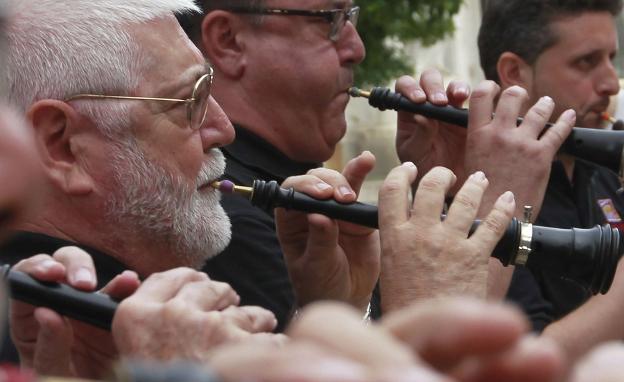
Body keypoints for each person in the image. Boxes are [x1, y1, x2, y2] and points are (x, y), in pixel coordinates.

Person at [179, 0, 575, 326]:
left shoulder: (293, 179)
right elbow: (426, 361)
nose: (357, 47)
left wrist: (452, 188)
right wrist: (500, 198)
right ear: (228, 41)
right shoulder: (221, 215)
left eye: (352, 17)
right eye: (331, 21)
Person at [397, 0, 624, 363]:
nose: (611, 82)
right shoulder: (474, 191)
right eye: (586, 61)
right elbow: (516, 360)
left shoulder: (605, 175)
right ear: (514, 72)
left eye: (612, 58)